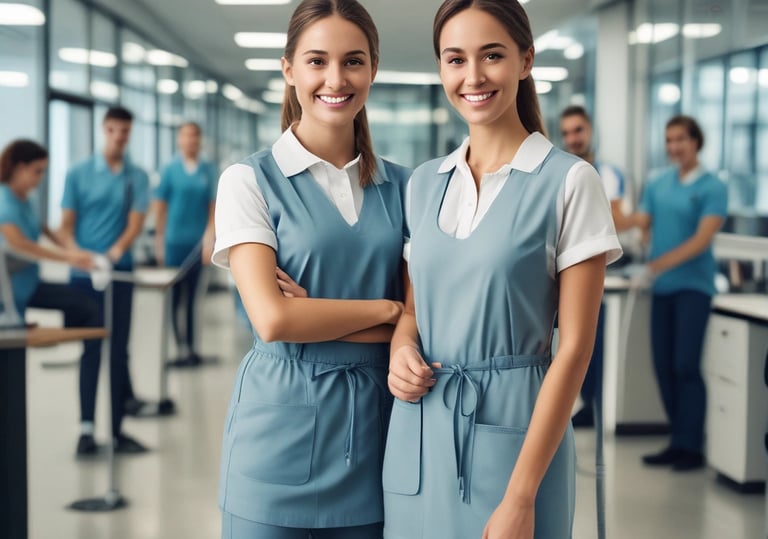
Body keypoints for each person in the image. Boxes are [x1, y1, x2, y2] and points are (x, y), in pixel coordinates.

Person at [383, 1, 622, 538]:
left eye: (492, 55)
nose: (473, 76)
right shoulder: (424, 183)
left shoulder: (569, 181)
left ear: (525, 59)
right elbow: (416, 309)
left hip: (517, 444)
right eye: (455, 59)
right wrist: (401, 348)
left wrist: (521, 496)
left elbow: (576, 348)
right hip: (418, 434)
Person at [211, 1, 409, 537]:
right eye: (317, 61)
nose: (335, 79)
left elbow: (428, 320)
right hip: (276, 439)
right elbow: (273, 321)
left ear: (372, 69)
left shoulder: (409, 188)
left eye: (353, 61)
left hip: (377, 435)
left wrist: (318, 314)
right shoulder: (248, 182)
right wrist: (389, 312)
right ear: (289, 68)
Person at [619, 115, 727, 471]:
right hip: (661, 288)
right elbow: (645, 223)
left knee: (685, 365)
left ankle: (691, 446)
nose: (674, 146)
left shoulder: (712, 187)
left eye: (680, 139)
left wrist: (655, 266)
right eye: (669, 140)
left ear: (697, 141)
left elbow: (700, 240)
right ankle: (677, 440)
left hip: (693, 288)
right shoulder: (658, 183)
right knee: (663, 365)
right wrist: (635, 232)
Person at [59, 106, 151, 455]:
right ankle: (86, 430)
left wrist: (111, 256)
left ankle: (115, 432)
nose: (119, 137)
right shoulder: (79, 173)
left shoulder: (137, 177)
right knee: (90, 350)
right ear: (104, 129)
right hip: (83, 279)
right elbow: (66, 227)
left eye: (125, 131)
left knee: (118, 353)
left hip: (119, 273)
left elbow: (134, 224)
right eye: (113, 130)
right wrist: (81, 257)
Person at [559, 104, 626, 428]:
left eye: (578, 131)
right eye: (567, 133)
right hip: (566, 270)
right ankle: (585, 404)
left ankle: (596, 405)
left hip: (597, 269)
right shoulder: (560, 171)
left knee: (591, 345)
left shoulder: (607, 174)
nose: (573, 138)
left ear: (590, 131)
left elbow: (613, 221)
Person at [153, 122, 217, 367]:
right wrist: (159, 243)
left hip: (197, 245)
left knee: (192, 300)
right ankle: (179, 349)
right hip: (173, 244)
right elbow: (160, 209)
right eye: (186, 136)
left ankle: (191, 348)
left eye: (195, 136)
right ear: (179, 140)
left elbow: (213, 208)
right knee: (174, 299)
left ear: (199, 140)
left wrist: (209, 238)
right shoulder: (170, 170)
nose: (191, 141)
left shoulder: (208, 170)